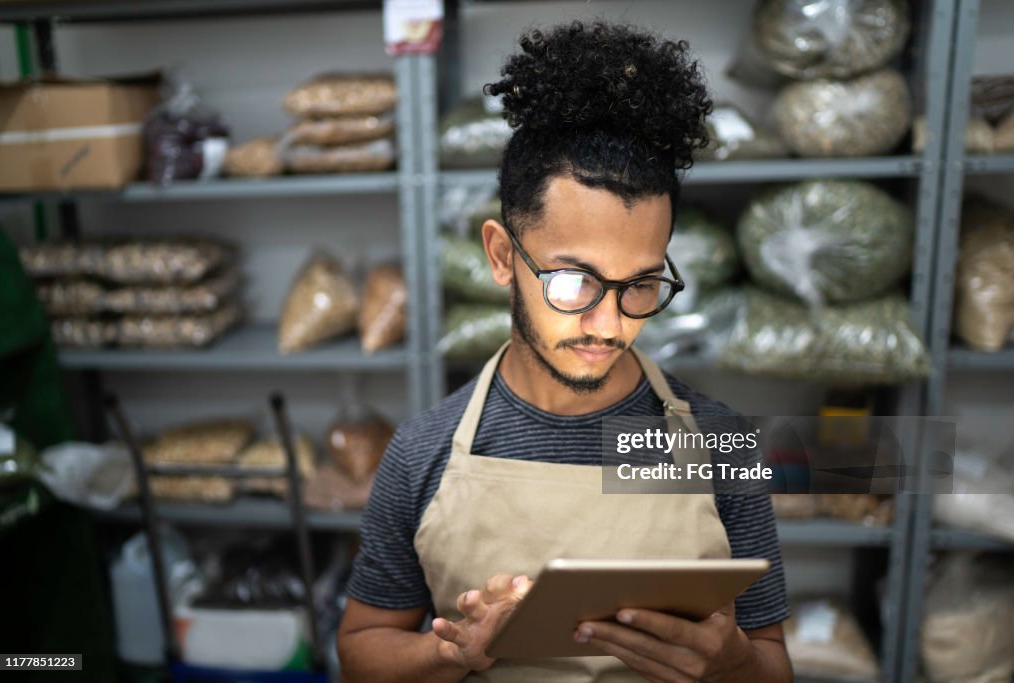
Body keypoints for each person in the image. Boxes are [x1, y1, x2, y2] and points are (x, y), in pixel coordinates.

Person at [338, 20, 792, 682]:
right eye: (573, 281)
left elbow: (772, 664)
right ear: (500, 255)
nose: (607, 324)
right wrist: (452, 650)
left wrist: (734, 663)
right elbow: (360, 651)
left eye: (640, 283)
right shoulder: (424, 451)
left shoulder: (719, 446)